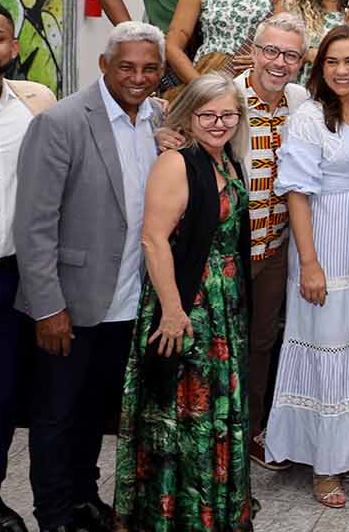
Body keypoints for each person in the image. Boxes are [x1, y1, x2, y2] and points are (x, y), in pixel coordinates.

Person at [13, 21, 168, 532]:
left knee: (96, 412)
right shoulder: (60, 122)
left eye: (149, 68)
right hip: (71, 303)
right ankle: (53, 515)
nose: (137, 77)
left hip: (129, 300)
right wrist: (48, 307)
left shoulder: (160, 118)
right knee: (56, 416)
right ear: (104, 65)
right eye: (126, 66)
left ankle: (83, 496)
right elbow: (34, 225)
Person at [114, 68, 249, 532]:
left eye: (228, 114)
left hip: (222, 305)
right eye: (208, 115)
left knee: (214, 412)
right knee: (181, 412)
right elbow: (154, 239)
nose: (218, 123)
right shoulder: (177, 162)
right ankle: (178, 517)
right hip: (186, 303)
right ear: (189, 116)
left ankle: (216, 510)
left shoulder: (228, 158)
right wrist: (172, 311)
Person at [264, 25, 349, 509]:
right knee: (326, 347)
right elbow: (296, 192)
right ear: (319, 68)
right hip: (325, 246)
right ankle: (323, 466)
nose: (341, 71)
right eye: (332, 62)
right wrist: (309, 264)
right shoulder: (309, 117)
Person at [233, 13, 312, 467]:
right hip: (227, 253)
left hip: (275, 248)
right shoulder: (226, 96)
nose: (279, 63)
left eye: (290, 55)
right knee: (219, 344)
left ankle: (252, 430)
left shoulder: (299, 101)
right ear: (254, 50)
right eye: (271, 51)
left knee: (263, 342)